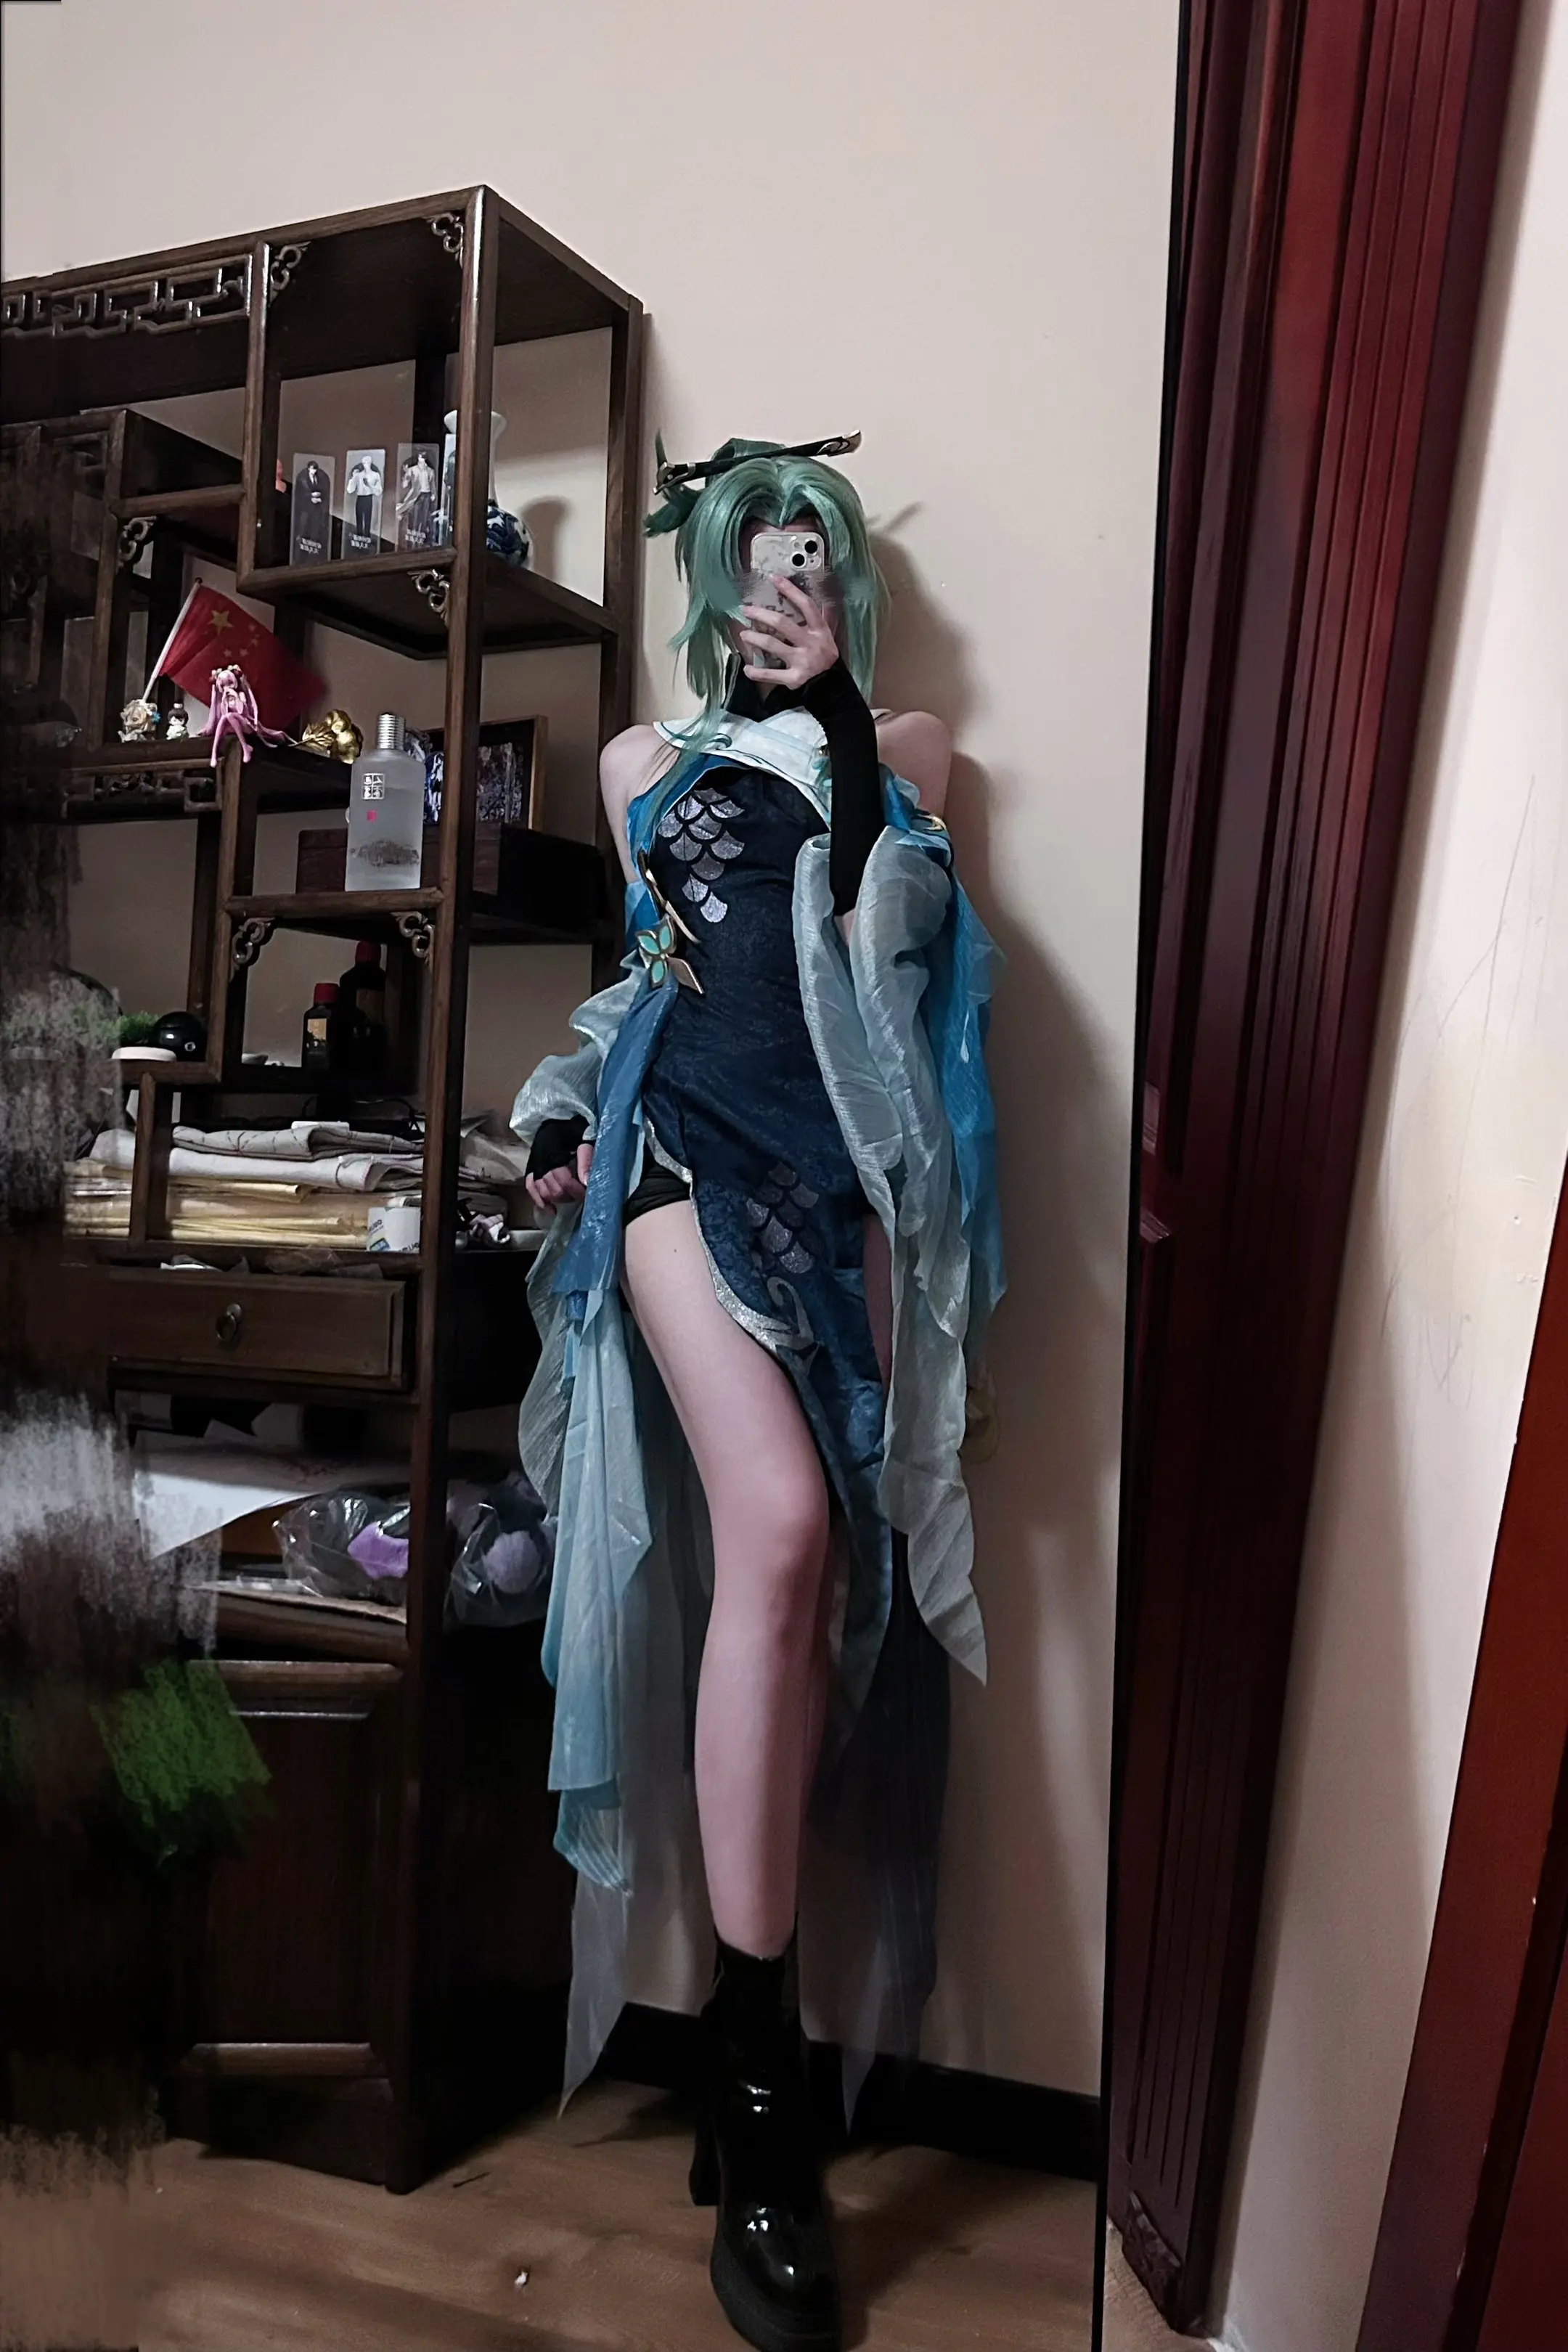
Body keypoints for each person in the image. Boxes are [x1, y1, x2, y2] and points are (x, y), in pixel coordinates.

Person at [514, 438, 1002, 2352]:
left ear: (844, 586)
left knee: (816, 1596)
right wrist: (559, 1114)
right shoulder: (645, 759)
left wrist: (844, 723)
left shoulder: (915, 749)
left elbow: (895, 936)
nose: (778, 587)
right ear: (712, 580)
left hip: (841, 1184)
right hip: (676, 1160)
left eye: (810, 559)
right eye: (751, 557)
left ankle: (750, 2051)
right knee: (781, 1532)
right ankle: (764, 2088)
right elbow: (653, 977)